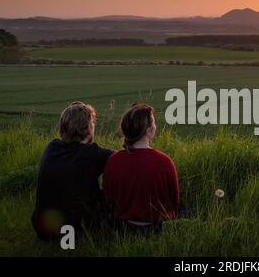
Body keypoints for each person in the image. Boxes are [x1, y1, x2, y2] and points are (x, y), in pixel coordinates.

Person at [31, 102, 113, 240]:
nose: (94, 125)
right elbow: (124, 159)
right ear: (87, 128)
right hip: (78, 231)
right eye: (92, 122)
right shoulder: (92, 154)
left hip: (44, 230)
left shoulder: (52, 147)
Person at [103, 103, 179, 233]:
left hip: (122, 228)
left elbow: (108, 197)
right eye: (153, 122)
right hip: (157, 228)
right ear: (149, 130)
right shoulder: (164, 161)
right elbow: (174, 201)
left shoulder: (113, 160)